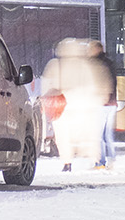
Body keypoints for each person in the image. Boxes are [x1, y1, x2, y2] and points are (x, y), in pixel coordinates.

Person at [40, 38, 111, 171]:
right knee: (90, 134)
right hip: (84, 104)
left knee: (63, 136)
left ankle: (67, 162)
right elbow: (94, 85)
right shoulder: (86, 64)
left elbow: (47, 85)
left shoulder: (55, 64)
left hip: (63, 106)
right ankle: (95, 160)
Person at [88, 41, 119, 170]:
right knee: (108, 135)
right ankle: (111, 159)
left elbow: (101, 83)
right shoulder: (109, 63)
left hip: (102, 103)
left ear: (97, 50)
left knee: (98, 135)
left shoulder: (97, 64)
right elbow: (113, 82)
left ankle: (100, 162)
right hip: (111, 103)